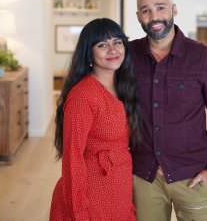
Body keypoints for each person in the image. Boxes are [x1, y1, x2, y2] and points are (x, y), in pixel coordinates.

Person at [129, 0, 207, 221]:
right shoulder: (128, 55)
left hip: (192, 175)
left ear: (173, 9)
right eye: (145, 10)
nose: (154, 16)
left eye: (160, 7)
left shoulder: (204, 57)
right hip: (144, 176)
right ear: (138, 16)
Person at [50, 18, 141, 221]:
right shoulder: (83, 96)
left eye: (117, 42)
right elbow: (73, 159)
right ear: (89, 52)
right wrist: (79, 212)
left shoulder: (124, 86)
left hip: (118, 187)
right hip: (92, 191)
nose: (113, 49)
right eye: (102, 45)